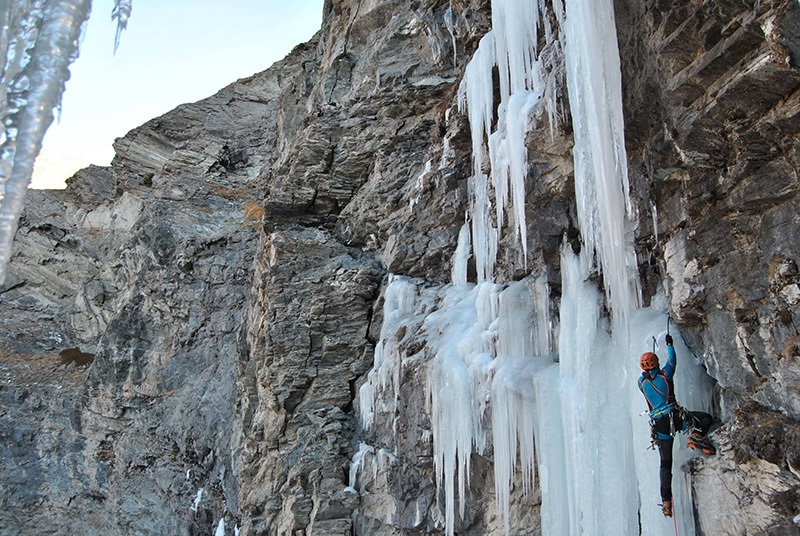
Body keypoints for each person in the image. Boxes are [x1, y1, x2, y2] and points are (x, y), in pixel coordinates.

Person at [638, 333, 715, 517]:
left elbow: (647, 379)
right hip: (675, 417)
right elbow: (672, 360)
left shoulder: (641, 383)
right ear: (656, 363)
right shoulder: (665, 375)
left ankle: (666, 503)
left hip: (660, 426)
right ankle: (696, 437)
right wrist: (669, 344)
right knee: (705, 419)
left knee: (665, 465)